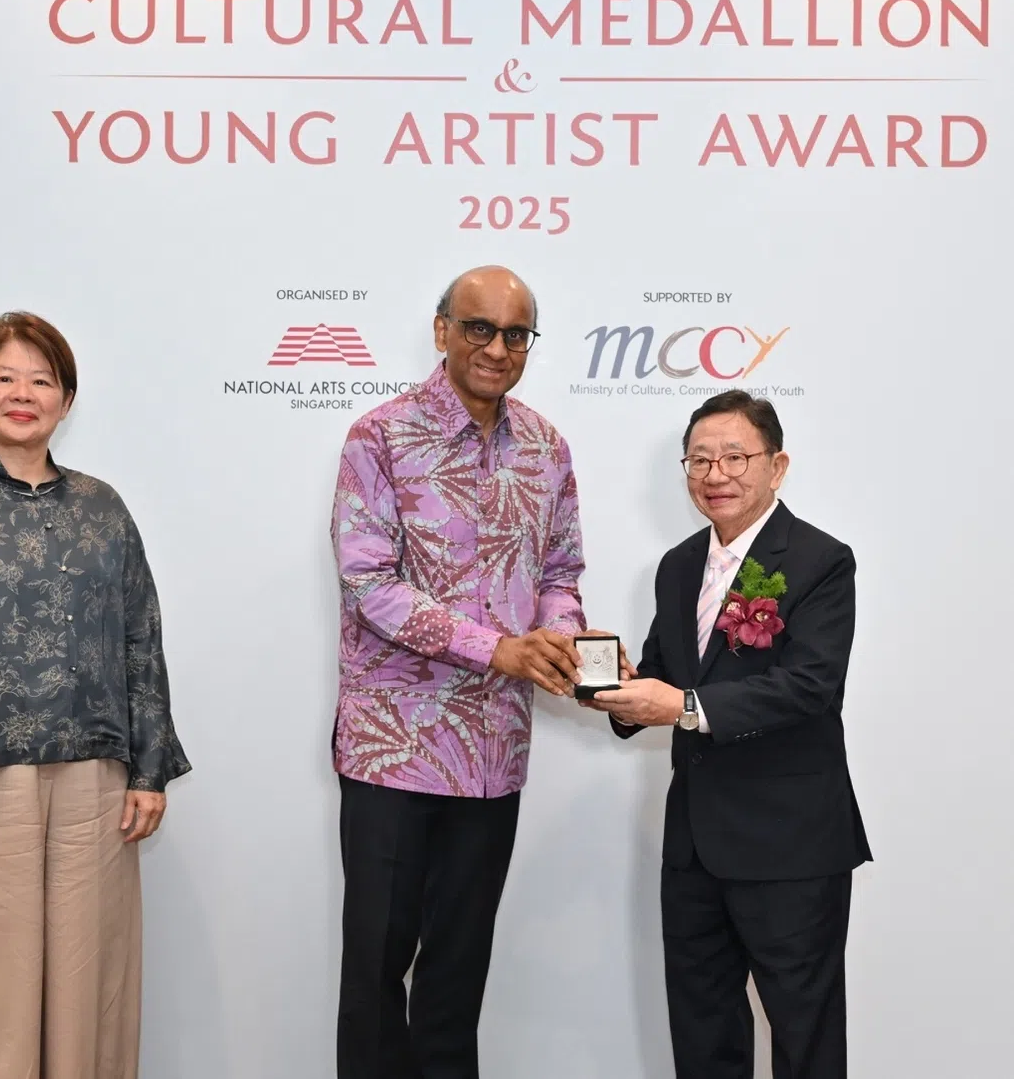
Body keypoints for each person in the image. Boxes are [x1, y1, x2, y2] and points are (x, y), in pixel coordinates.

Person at [0, 310, 191, 1078]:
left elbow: (140, 638)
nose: (24, 393)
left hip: (95, 789)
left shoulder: (103, 509)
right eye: (5, 378)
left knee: (91, 994)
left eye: (42, 379)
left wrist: (148, 771)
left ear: (67, 398)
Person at [331, 265, 587, 1078]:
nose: (497, 347)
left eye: (516, 334)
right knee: (376, 978)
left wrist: (559, 637)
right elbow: (370, 584)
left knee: (456, 981)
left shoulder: (547, 447)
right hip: (394, 752)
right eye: (479, 328)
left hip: (492, 758)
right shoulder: (379, 437)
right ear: (441, 332)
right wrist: (498, 649)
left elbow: (561, 571)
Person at [586, 389, 871, 1079]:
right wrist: (621, 692)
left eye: (735, 457)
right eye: (700, 459)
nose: (716, 474)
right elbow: (661, 675)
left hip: (792, 846)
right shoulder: (678, 565)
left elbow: (811, 687)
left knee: (805, 1038)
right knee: (703, 1034)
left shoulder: (820, 561)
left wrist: (680, 703)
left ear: (777, 467)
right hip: (693, 852)